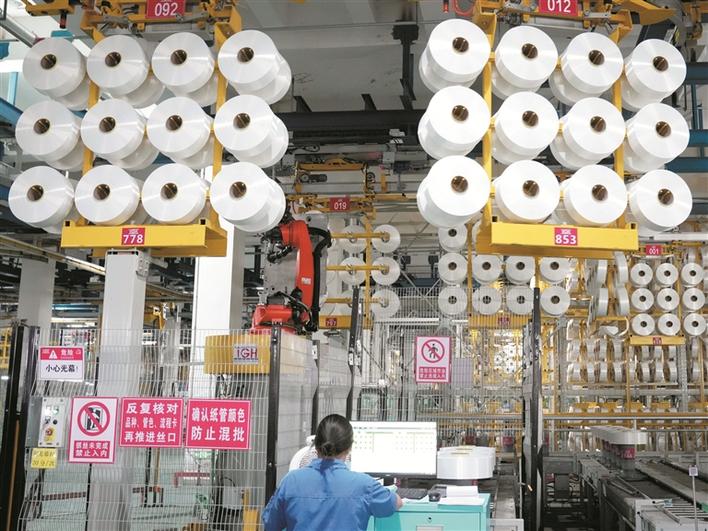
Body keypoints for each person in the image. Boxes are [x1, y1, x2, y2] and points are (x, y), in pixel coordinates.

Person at [262, 414, 403, 531]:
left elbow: (270, 523)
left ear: (316, 445)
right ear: (349, 447)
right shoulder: (364, 485)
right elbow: (395, 503)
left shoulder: (291, 481)